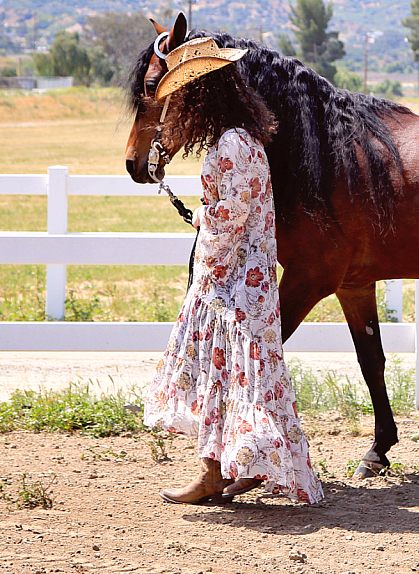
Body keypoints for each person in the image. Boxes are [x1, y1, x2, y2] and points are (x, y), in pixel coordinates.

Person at [143, 37, 323, 506]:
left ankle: (213, 474)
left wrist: (202, 217)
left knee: (222, 376)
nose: (178, 106)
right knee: (242, 378)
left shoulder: (233, 143)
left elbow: (231, 215)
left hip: (233, 284)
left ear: (202, 95)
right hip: (245, 282)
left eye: (183, 95)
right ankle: (242, 470)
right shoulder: (243, 138)